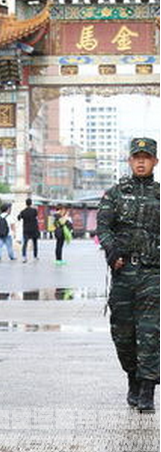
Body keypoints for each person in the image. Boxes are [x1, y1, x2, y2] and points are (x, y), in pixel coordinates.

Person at [96, 137, 159, 413]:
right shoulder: (115, 194)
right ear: (130, 160)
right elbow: (103, 226)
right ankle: (132, 377)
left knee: (150, 332)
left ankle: (147, 389)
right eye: (137, 157)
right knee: (122, 332)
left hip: (152, 275)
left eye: (146, 157)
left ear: (155, 161)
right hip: (123, 274)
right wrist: (111, 250)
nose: (141, 161)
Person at [18, 198, 40, 263]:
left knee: (25, 243)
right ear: (31, 203)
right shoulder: (34, 210)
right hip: (34, 229)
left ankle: (24, 257)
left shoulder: (23, 211)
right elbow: (36, 216)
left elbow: (19, 218)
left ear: (26, 203)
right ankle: (35, 256)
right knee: (35, 243)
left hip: (26, 229)